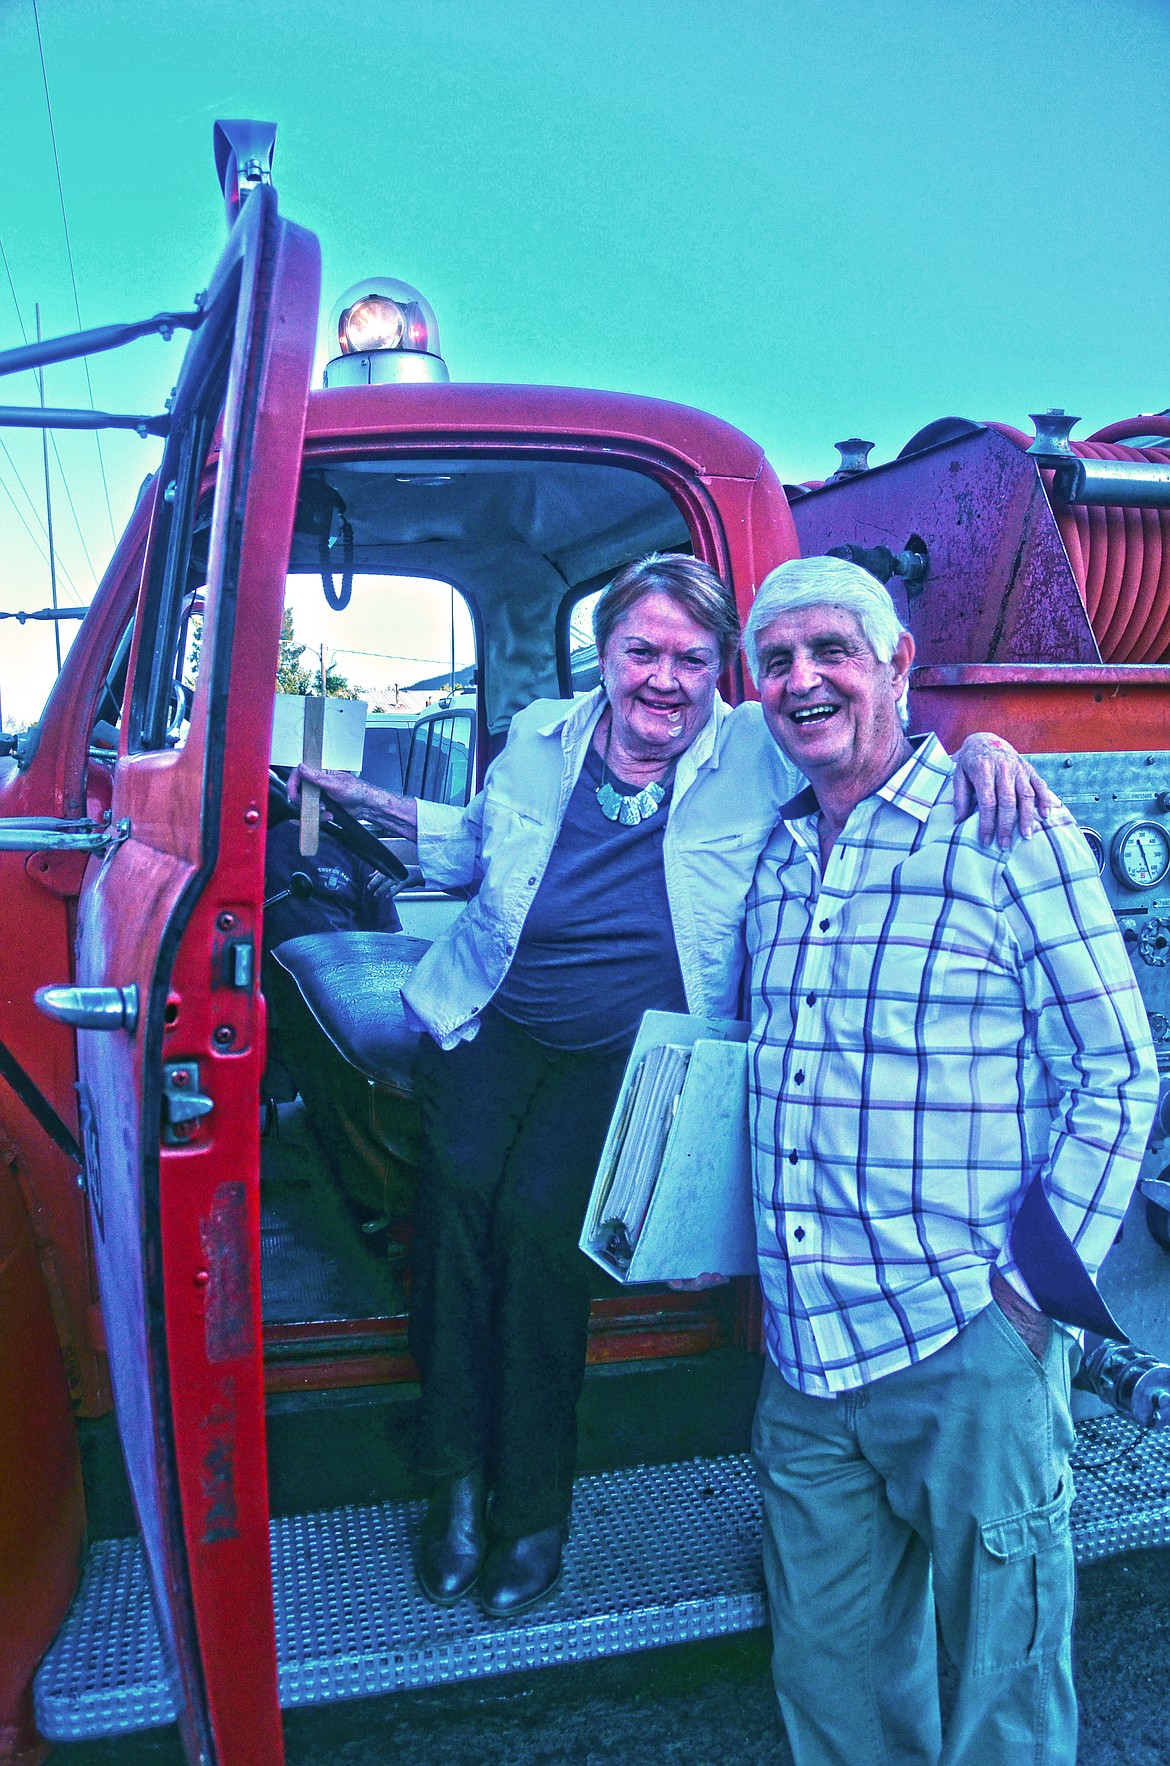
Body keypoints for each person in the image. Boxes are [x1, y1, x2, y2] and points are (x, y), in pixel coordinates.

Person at [289, 552, 1051, 1620]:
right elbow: (470, 852)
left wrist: (982, 749)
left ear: (719, 669)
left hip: (630, 1049)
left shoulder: (756, 742)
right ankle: (454, 1475)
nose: (665, 679)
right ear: (601, 658)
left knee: (541, 1234)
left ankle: (532, 1507)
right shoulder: (538, 740)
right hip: (494, 1016)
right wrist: (349, 793)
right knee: (452, 1216)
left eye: (692, 658)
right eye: (641, 651)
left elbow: (875, 753)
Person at [740, 554, 1158, 1766]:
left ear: (901, 666)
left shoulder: (1005, 834)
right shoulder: (773, 861)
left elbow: (1119, 1070)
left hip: (964, 1341)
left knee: (1005, 1694)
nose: (804, 680)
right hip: (808, 1361)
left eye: (834, 652)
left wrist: (1031, 1294)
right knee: (832, 1684)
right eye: (777, 661)